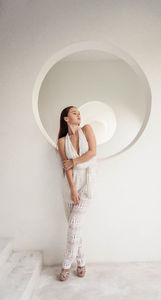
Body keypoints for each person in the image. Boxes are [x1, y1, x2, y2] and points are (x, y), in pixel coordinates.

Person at [56, 106, 97, 281]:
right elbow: (67, 169)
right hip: (69, 187)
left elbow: (92, 152)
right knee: (76, 228)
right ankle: (81, 262)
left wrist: (74, 161)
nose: (78, 114)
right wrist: (72, 189)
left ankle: (66, 265)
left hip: (87, 184)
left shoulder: (87, 129)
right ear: (66, 119)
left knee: (74, 224)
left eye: (79, 112)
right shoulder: (62, 142)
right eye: (74, 112)